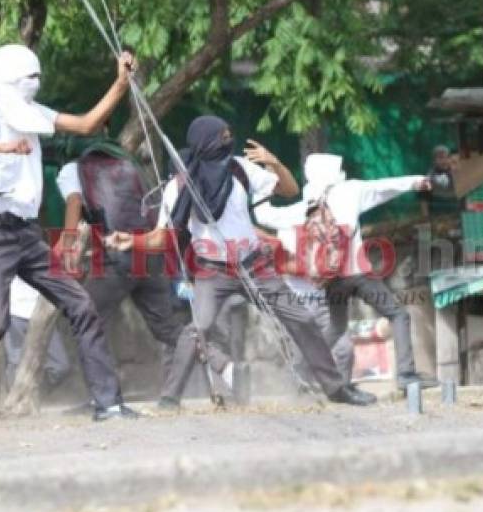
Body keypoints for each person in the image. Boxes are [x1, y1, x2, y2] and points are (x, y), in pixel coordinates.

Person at [106, 115, 375, 407]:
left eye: (228, 134)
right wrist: (132, 240)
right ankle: (169, 400)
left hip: (254, 265)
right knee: (198, 328)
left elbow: (290, 190)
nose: (228, 140)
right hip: (213, 270)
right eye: (222, 136)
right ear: (204, 141)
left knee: (302, 319)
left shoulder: (240, 168)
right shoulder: (179, 187)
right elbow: (161, 238)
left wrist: (273, 162)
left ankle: (337, 389)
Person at [0, 44, 138, 426]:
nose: (36, 83)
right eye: (30, 77)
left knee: (81, 306)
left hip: (26, 234)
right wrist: (1, 146)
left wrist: (120, 83)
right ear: (10, 79)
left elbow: (85, 124)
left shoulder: (30, 113)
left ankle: (108, 404)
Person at [54, 135, 232, 407]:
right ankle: (224, 366)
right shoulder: (126, 163)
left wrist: (68, 248)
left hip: (118, 256)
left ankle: (103, 398)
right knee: (167, 328)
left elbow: (75, 203)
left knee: (86, 319)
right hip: (149, 254)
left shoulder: (72, 169)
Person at [255, 153, 438, 392]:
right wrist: (417, 180)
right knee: (398, 315)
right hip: (358, 274)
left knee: (335, 329)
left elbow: (264, 216)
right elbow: (386, 187)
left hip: (331, 280)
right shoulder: (351, 190)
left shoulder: (308, 202)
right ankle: (405, 374)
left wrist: (263, 184)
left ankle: (300, 372)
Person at [3, 277, 72, 392]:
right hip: (14, 315)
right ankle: (15, 399)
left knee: (61, 366)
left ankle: (40, 391)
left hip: (43, 316)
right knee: (15, 363)